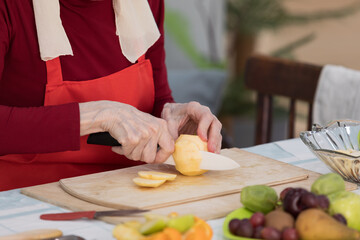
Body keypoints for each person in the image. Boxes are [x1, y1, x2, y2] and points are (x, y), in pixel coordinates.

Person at [0, 0, 222, 191]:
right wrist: (100, 116)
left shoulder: (143, 4)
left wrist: (171, 118)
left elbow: (157, 96)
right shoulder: (10, 7)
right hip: (28, 198)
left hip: (128, 192)